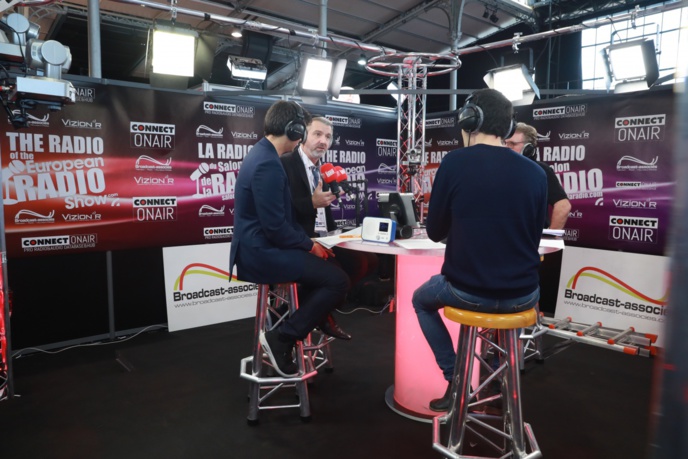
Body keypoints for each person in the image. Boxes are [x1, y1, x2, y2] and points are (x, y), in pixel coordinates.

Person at [412, 89, 547, 411]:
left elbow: (435, 232)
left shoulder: (455, 162)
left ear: (469, 120)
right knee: (501, 311)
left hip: (467, 292)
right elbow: (534, 235)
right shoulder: (537, 172)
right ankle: (500, 381)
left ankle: (455, 380)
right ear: (508, 126)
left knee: (420, 301)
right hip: (524, 296)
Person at [229, 100, 350, 377]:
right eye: (307, 131)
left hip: (264, 247)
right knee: (337, 281)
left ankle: (308, 318)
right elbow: (275, 227)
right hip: (261, 254)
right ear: (295, 130)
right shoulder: (268, 164)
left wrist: (310, 244)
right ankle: (281, 338)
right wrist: (309, 245)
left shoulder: (262, 154)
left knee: (334, 269)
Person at [280, 116, 378, 340]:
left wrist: (335, 236)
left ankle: (316, 310)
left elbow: (323, 210)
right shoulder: (286, 164)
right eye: (317, 134)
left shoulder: (324, 170)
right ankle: (317, 315)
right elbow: (280, 211)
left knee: (368, 261)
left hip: (323, 237)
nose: (323, 141)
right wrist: (311, 203)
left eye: (328, 137)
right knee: (337, 277)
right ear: (303, 136)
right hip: (297, 240)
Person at [506, 122, 572, 230]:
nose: (507, 148)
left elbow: (563, 206)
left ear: (528, 148)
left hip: (529, 239)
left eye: (512, 144)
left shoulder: (541, 171)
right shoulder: (498, 169)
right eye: (505, 143)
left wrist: (550, 237)